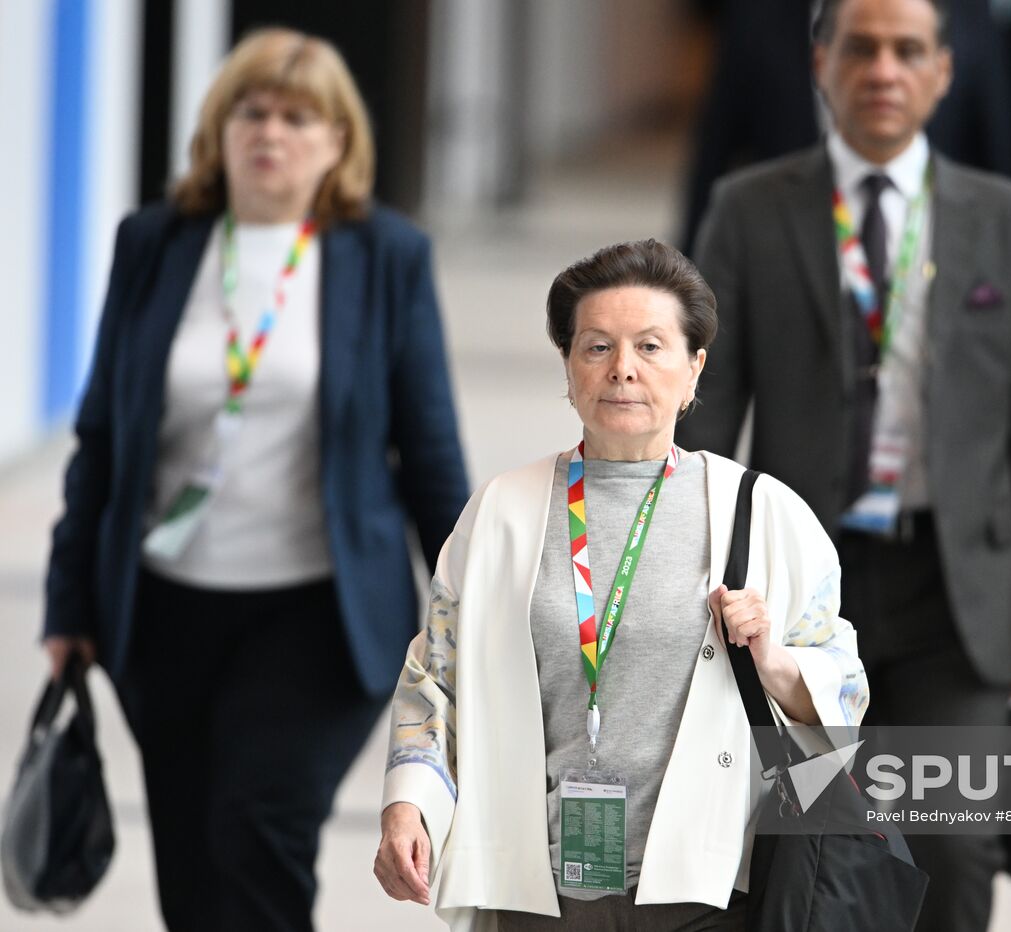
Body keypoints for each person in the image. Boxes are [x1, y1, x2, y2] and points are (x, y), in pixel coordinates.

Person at [40, 28, 469, 932]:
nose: (270, 132)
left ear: (338, 142)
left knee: (261, 826)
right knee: (193, 863)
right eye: (252, 110)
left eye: (298, 117)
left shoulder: (384, 256)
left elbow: (428, 453)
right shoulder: (155, 242)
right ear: (219, 126)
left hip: (319, 615)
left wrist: (472, 616)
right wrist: (68, 606)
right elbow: (102, 441)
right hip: (163, 616)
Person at [673, 1, 1011, 928]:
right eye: (861, 48)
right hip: (804, 589)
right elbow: (709, 405)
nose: (883, 70)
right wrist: (682, 566)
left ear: (943, 70)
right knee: (809, 837)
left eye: (907, 51)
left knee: (951, 839)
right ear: (822, 62)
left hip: (957, 590)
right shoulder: (751, 208)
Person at [373, 240, 868, 931]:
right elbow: (436, 680)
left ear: (695, 369)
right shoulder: (502, 514)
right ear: (569, 368)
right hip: (539, 889)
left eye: (651, 347)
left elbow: (846, 693)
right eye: (597, 347)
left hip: (712, 888)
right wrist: (408, 804)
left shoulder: (765, 514)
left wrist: (775, 662)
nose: (622, 370)